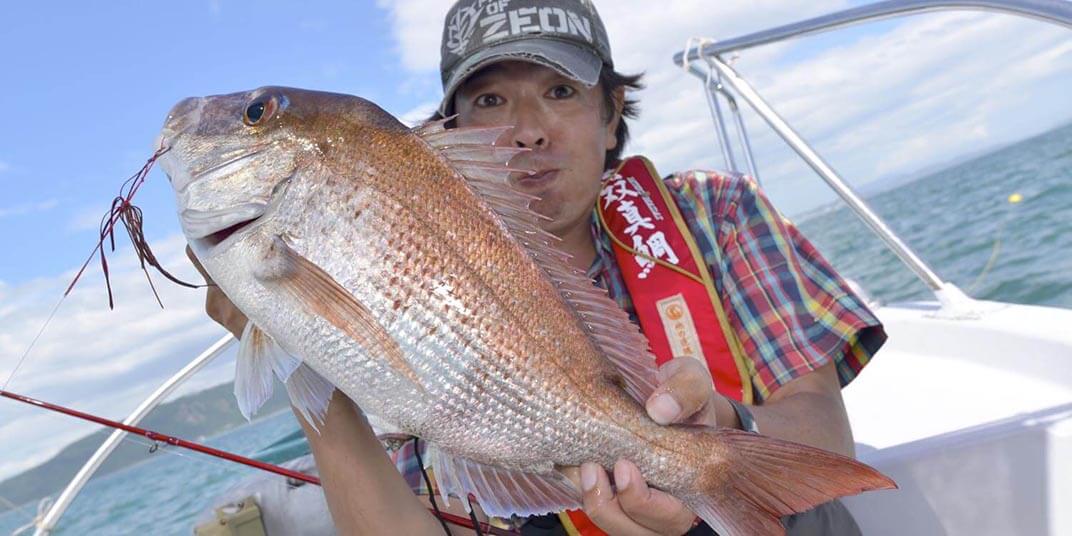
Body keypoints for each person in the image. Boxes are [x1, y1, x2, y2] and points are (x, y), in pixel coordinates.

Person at [189, 1, 887, 534]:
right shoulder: (387, 274)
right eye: (490, 100)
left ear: (613, 114)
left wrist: (726, 433)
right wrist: (302, 350)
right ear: (451, 134)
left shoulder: (716, 214)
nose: (528, 128)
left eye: (560, 90)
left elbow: (818, 420)